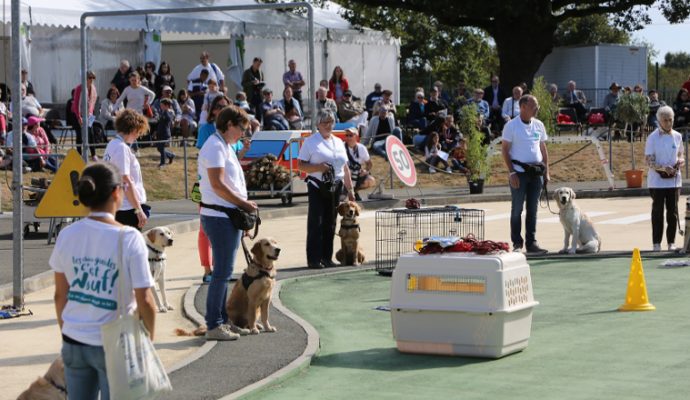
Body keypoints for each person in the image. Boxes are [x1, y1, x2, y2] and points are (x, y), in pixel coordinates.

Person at [51, 162, 157, 400]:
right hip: (115, 341)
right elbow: (145, 299)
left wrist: (67, 330)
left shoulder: (67, 235)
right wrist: (149, 339)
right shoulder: (129, 238)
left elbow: (60, 295)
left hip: (74, 339)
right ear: (116, 192)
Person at [198, 105, 256, 340]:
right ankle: (214, 325)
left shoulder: (225, 145)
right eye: (242, 128)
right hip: (219, 215)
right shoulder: (214, 146)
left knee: (224, 272)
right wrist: (243, 204)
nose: (243, 133)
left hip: (226, 215)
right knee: (222, 273)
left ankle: (221, 320)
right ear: (229, 125)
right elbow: (218, 185)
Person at [298, 109, 356, 270]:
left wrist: (350, 190)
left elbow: (345, 167)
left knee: (331, 222)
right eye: (324, 122)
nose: (328, 125)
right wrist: (318, 167)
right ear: (318, 124)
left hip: (335, 186)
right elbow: (300, 165)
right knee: (316, 222)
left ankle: (327, 257)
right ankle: (314, 259)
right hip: (317, 184)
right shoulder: (310, 142)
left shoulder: (338, 142)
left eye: (330, 122)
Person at [501, 94, 549, 254]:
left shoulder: (539, 125)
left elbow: (543, 149)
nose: (537, 109)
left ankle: (532, 243)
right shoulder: (511, 126)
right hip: (519, 173)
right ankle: (517, 243)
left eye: (537, 107)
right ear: (522, 107)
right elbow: (505, 150)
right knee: (517, 209)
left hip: (536, 173)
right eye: (533, 107)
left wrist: (546, 171)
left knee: (533, 210)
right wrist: (512, 172)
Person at [645, 105, 684, 252]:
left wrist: (680, 161)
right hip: (657, 181)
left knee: (672, 212)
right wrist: (662, 168)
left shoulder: (678, 136)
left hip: (674, 180)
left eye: (671, 120)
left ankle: (671, 242)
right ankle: (656, 243)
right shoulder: (652, 137)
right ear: (659, 121)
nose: (669, 123)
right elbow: (648, 160)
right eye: (665, 120)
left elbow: (681, 154)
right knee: (657, 212)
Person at [103, 109, 150, 230]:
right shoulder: (121, 148)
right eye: (138, 133)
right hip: (127, 208)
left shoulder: (112, 144)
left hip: (120, 205)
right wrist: (138, 210)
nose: (137, 137)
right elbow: (125, 180)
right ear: (133, 129)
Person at [72, 71, 99, 160]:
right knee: (79, 135)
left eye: (93, 78)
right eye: (89, 78)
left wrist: (91, 114)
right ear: (85, 78)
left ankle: (93, 154)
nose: (91, 80)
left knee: (91, 134)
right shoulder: (79, 88)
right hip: (78, 114)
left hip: (89, 115)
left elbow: (93, 102)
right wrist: (79, 117)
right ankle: (79, 154)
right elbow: (76, 104)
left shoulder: (93, 88)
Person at [343, 127, 375, 201]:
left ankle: (355, 192)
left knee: (371, 180)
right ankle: (345, 191)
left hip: (357, 175)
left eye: (350, 135)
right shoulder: (341, 146)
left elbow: (369, 164)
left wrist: (365, 170)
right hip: (344, 175)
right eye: (346, 135)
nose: (348, 137)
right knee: (341, 199)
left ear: (356, 136)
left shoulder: (362, 148)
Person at [155, 98, 176, 168]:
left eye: (162, 105)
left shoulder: (169, 112)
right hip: (160, 133)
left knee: (162, 148)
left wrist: (166, 112)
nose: (161, 106)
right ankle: (171, 155)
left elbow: (169, 119)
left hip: (165, 133)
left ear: (167, 106)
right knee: (159, 148)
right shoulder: (163, 112)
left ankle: (162, 163)